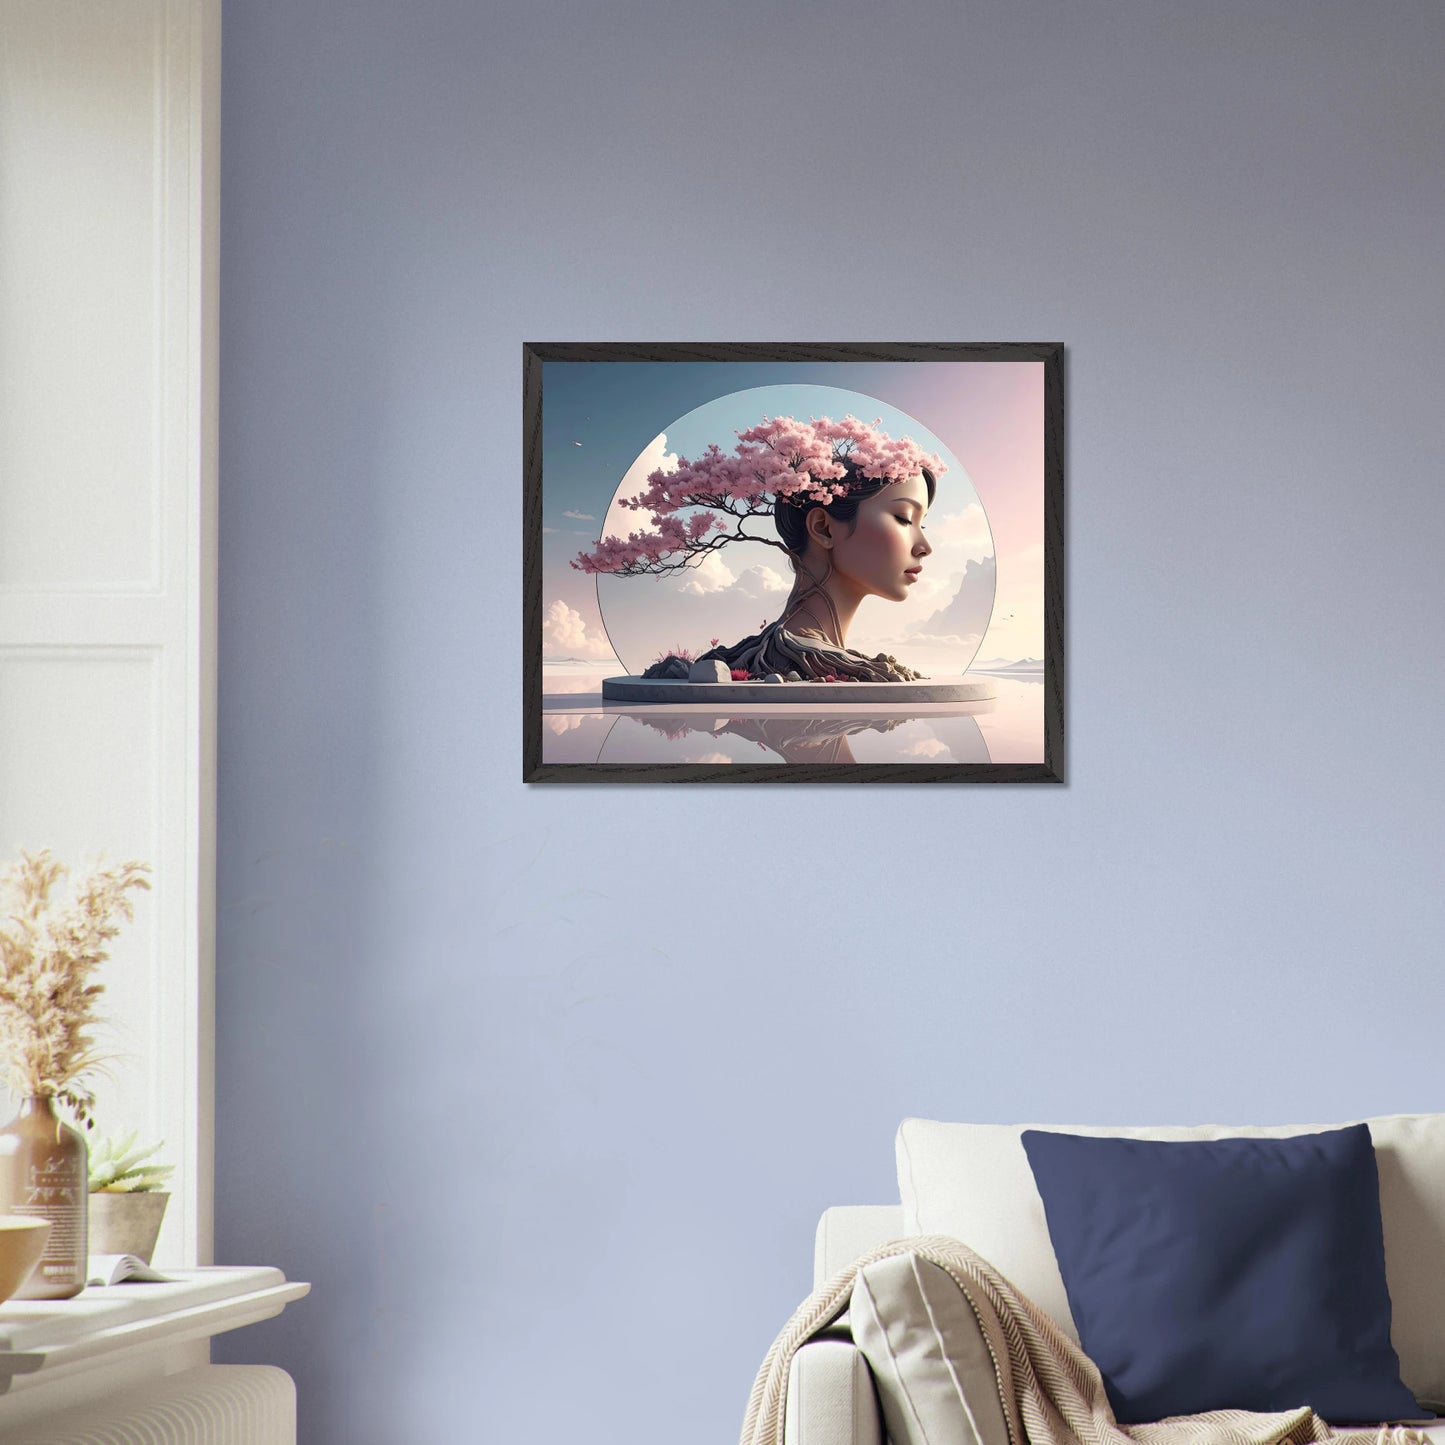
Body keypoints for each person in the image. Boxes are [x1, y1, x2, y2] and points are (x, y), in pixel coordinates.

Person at [645, 457, 936, 682]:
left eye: (922, 523)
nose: (924, 546)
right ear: (823, 527)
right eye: (903, 517)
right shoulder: (783, 654)